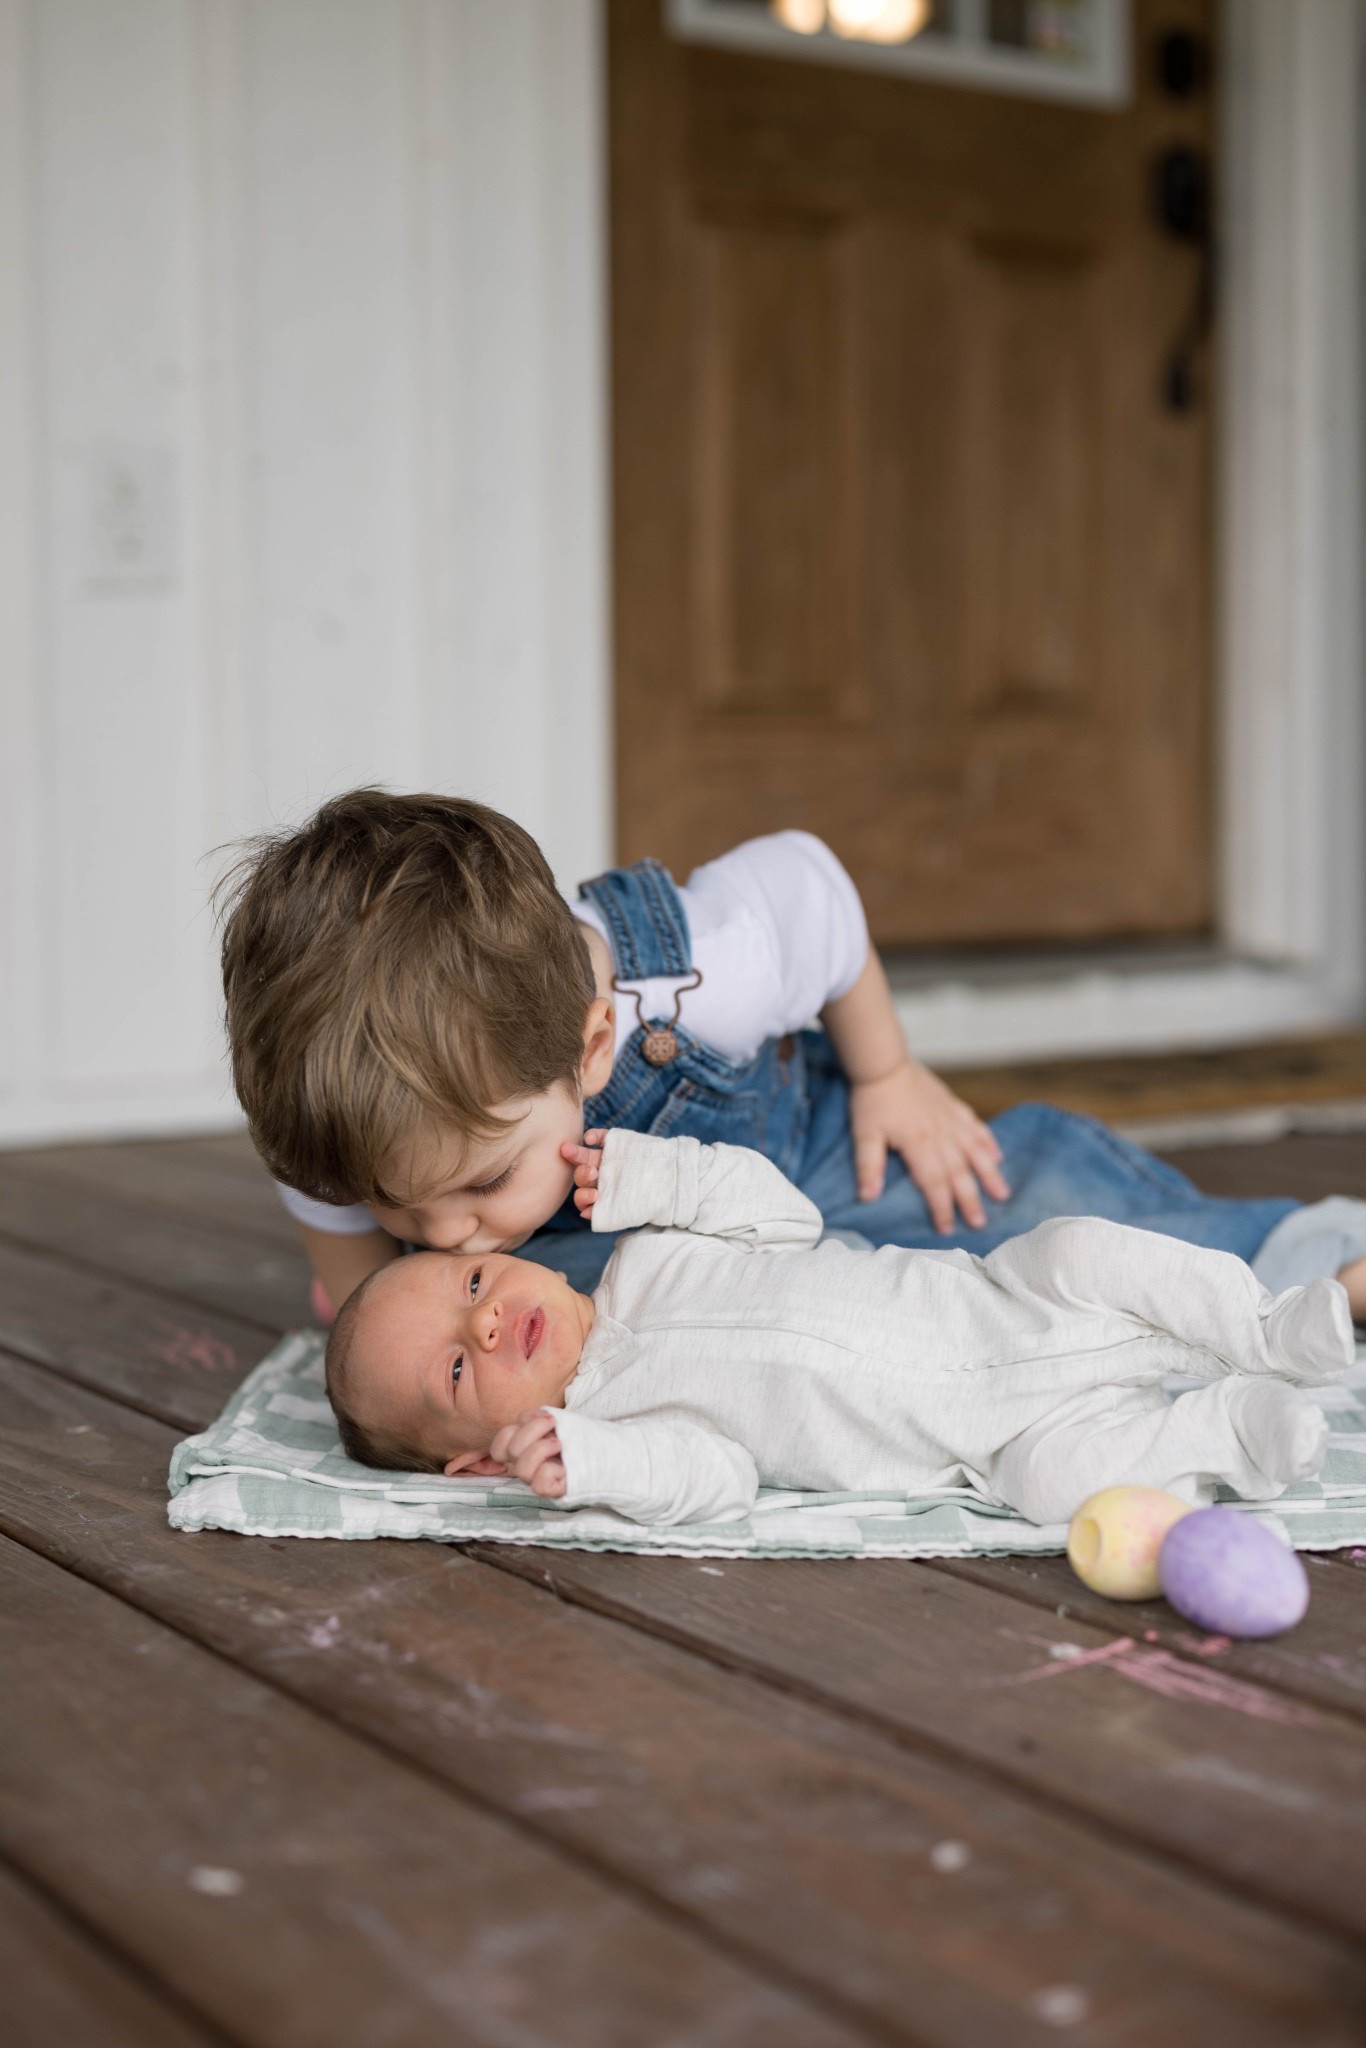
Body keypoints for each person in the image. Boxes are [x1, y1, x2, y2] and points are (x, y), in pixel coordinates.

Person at [218, 788, 1366, 1317]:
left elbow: (808, 883)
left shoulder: (701, 970)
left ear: (591, 1043)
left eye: (475, 1182)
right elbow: (366, 1294)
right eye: (392, 1200)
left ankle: (1306, 1258)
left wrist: (887, 1073)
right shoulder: (333, 1103)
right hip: (622, 1271)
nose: (441, 1228)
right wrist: (387, 1307)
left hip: (811, 1158)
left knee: (1016, 1211)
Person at [322, 1129, 1348, 1528]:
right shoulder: (622, 1421)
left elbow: (784, 1216)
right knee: (1055, 1489)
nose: (492, 1322)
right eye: (459, 1368)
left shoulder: (652, 1251)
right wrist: (590, 1461)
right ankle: (1231, 1434)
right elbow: (714, 1479)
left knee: (1083, 1244)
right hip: (986, 1444)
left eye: (468, 1283)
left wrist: (657, 1175)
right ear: (472, 1464)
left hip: (1001, 1298)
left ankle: (1276, 1328)